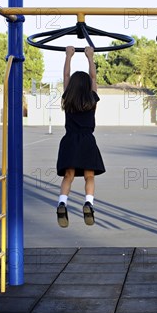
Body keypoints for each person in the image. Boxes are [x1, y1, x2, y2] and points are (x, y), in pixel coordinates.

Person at [56, 46, 105, 227]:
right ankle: (88, 203)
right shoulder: (92, 99)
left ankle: (62, 202)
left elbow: (66, 77)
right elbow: (93, 77)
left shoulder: (67, 99)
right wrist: (89, 57)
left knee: (68, 175)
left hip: (69, 140)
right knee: (89, 176)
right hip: (86, 141)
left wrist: (68, 56)